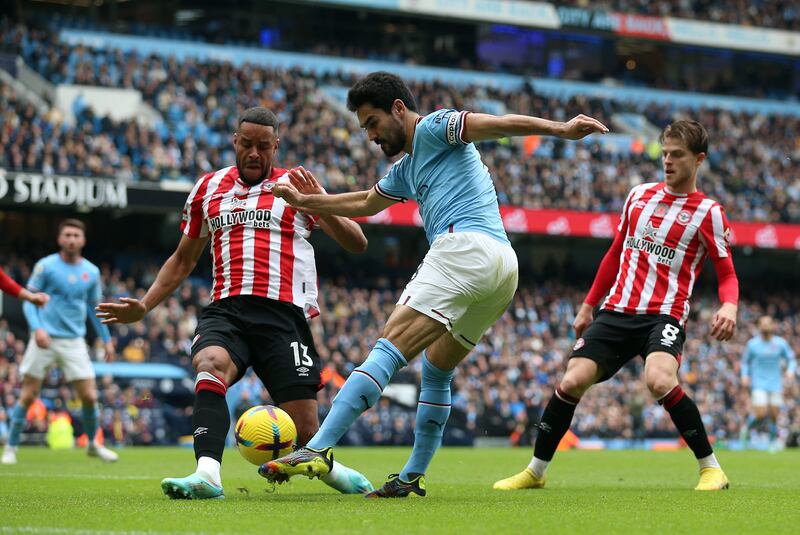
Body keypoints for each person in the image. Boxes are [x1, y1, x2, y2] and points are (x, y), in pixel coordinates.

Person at [260, 71, 608, 497]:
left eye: (372, 123)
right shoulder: (405, 169)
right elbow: (366, 203)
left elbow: (494, 124)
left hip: (464, 247)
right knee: (436, 368)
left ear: (399, 109)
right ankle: (411, 476)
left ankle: (317, 448)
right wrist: (305, 201)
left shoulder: (433, 127)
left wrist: (560, 129)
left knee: (389, 344)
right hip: (502, 269)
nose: (370, 135)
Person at [96, 107, 373, 499]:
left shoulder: (298, 185)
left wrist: (320, 203)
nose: (255, 153)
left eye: (264, 146)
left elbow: (357, 242)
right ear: (235, 143)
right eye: (247, 145)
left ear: (276, 145)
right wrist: (144, 305)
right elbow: (182, 259)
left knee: (307, 432)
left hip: (283, 314)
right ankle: (207, 473)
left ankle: (329, 468)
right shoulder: (208, 188)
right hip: (227, 309)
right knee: (209, 365)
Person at [494, 120, 739, 492]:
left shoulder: (708, 212)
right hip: (617, 311)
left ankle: (711, 469)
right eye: (665, 154)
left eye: (678, 155)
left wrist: (730, 306)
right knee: (572, 380)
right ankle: (535, 472)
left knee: (658, 379)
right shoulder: (638, 195)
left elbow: (727, 271)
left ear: (699, 159)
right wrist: (588, 305)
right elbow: (614, 253)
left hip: (664, 315)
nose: (668, 162)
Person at [2, 219, 117, 465]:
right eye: (67, 234)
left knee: (88, 395)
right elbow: (29, 300)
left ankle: (94, 444)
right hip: (44, 338)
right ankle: (10, 448)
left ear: (83, 240)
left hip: (74, 340)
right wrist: (38, 329)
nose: (72, 239)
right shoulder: (46, 266)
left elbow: (94, 309)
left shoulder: (92, 272)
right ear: (60, 239)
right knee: (28, 394)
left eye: (76, 235)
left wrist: (106, 340)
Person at [740, 315, 796, 451]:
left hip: (775, 384)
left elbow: (791, 359)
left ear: (772, 326)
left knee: (775, 415)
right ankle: (746, 430)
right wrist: (745, 376)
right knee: (760, 413)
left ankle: (772, 442)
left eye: (767, 324)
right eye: (762, 324)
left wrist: (790, 371)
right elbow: (745, 362)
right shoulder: (752, 344)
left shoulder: (780, 343)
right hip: (759, 383)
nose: (765, 326)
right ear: (759, 326)